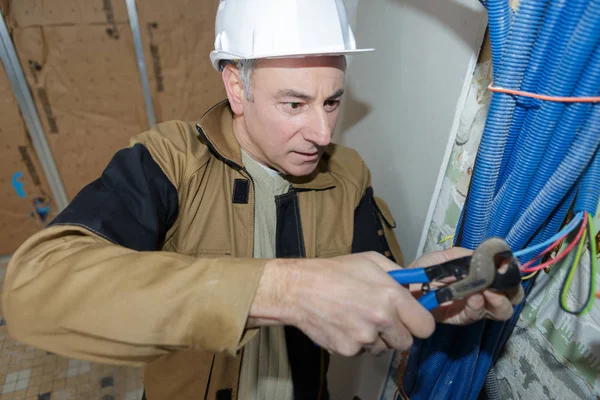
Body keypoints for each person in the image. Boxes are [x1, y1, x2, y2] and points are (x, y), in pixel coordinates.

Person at [1, 0, 520, 399]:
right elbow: (36, 287)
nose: (321, 131)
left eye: (333, 101)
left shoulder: (347, 174)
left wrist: (433, 290)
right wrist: (285, 288)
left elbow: (375, 294)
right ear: (235, 87)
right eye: (294, 103)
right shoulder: (170, 161)